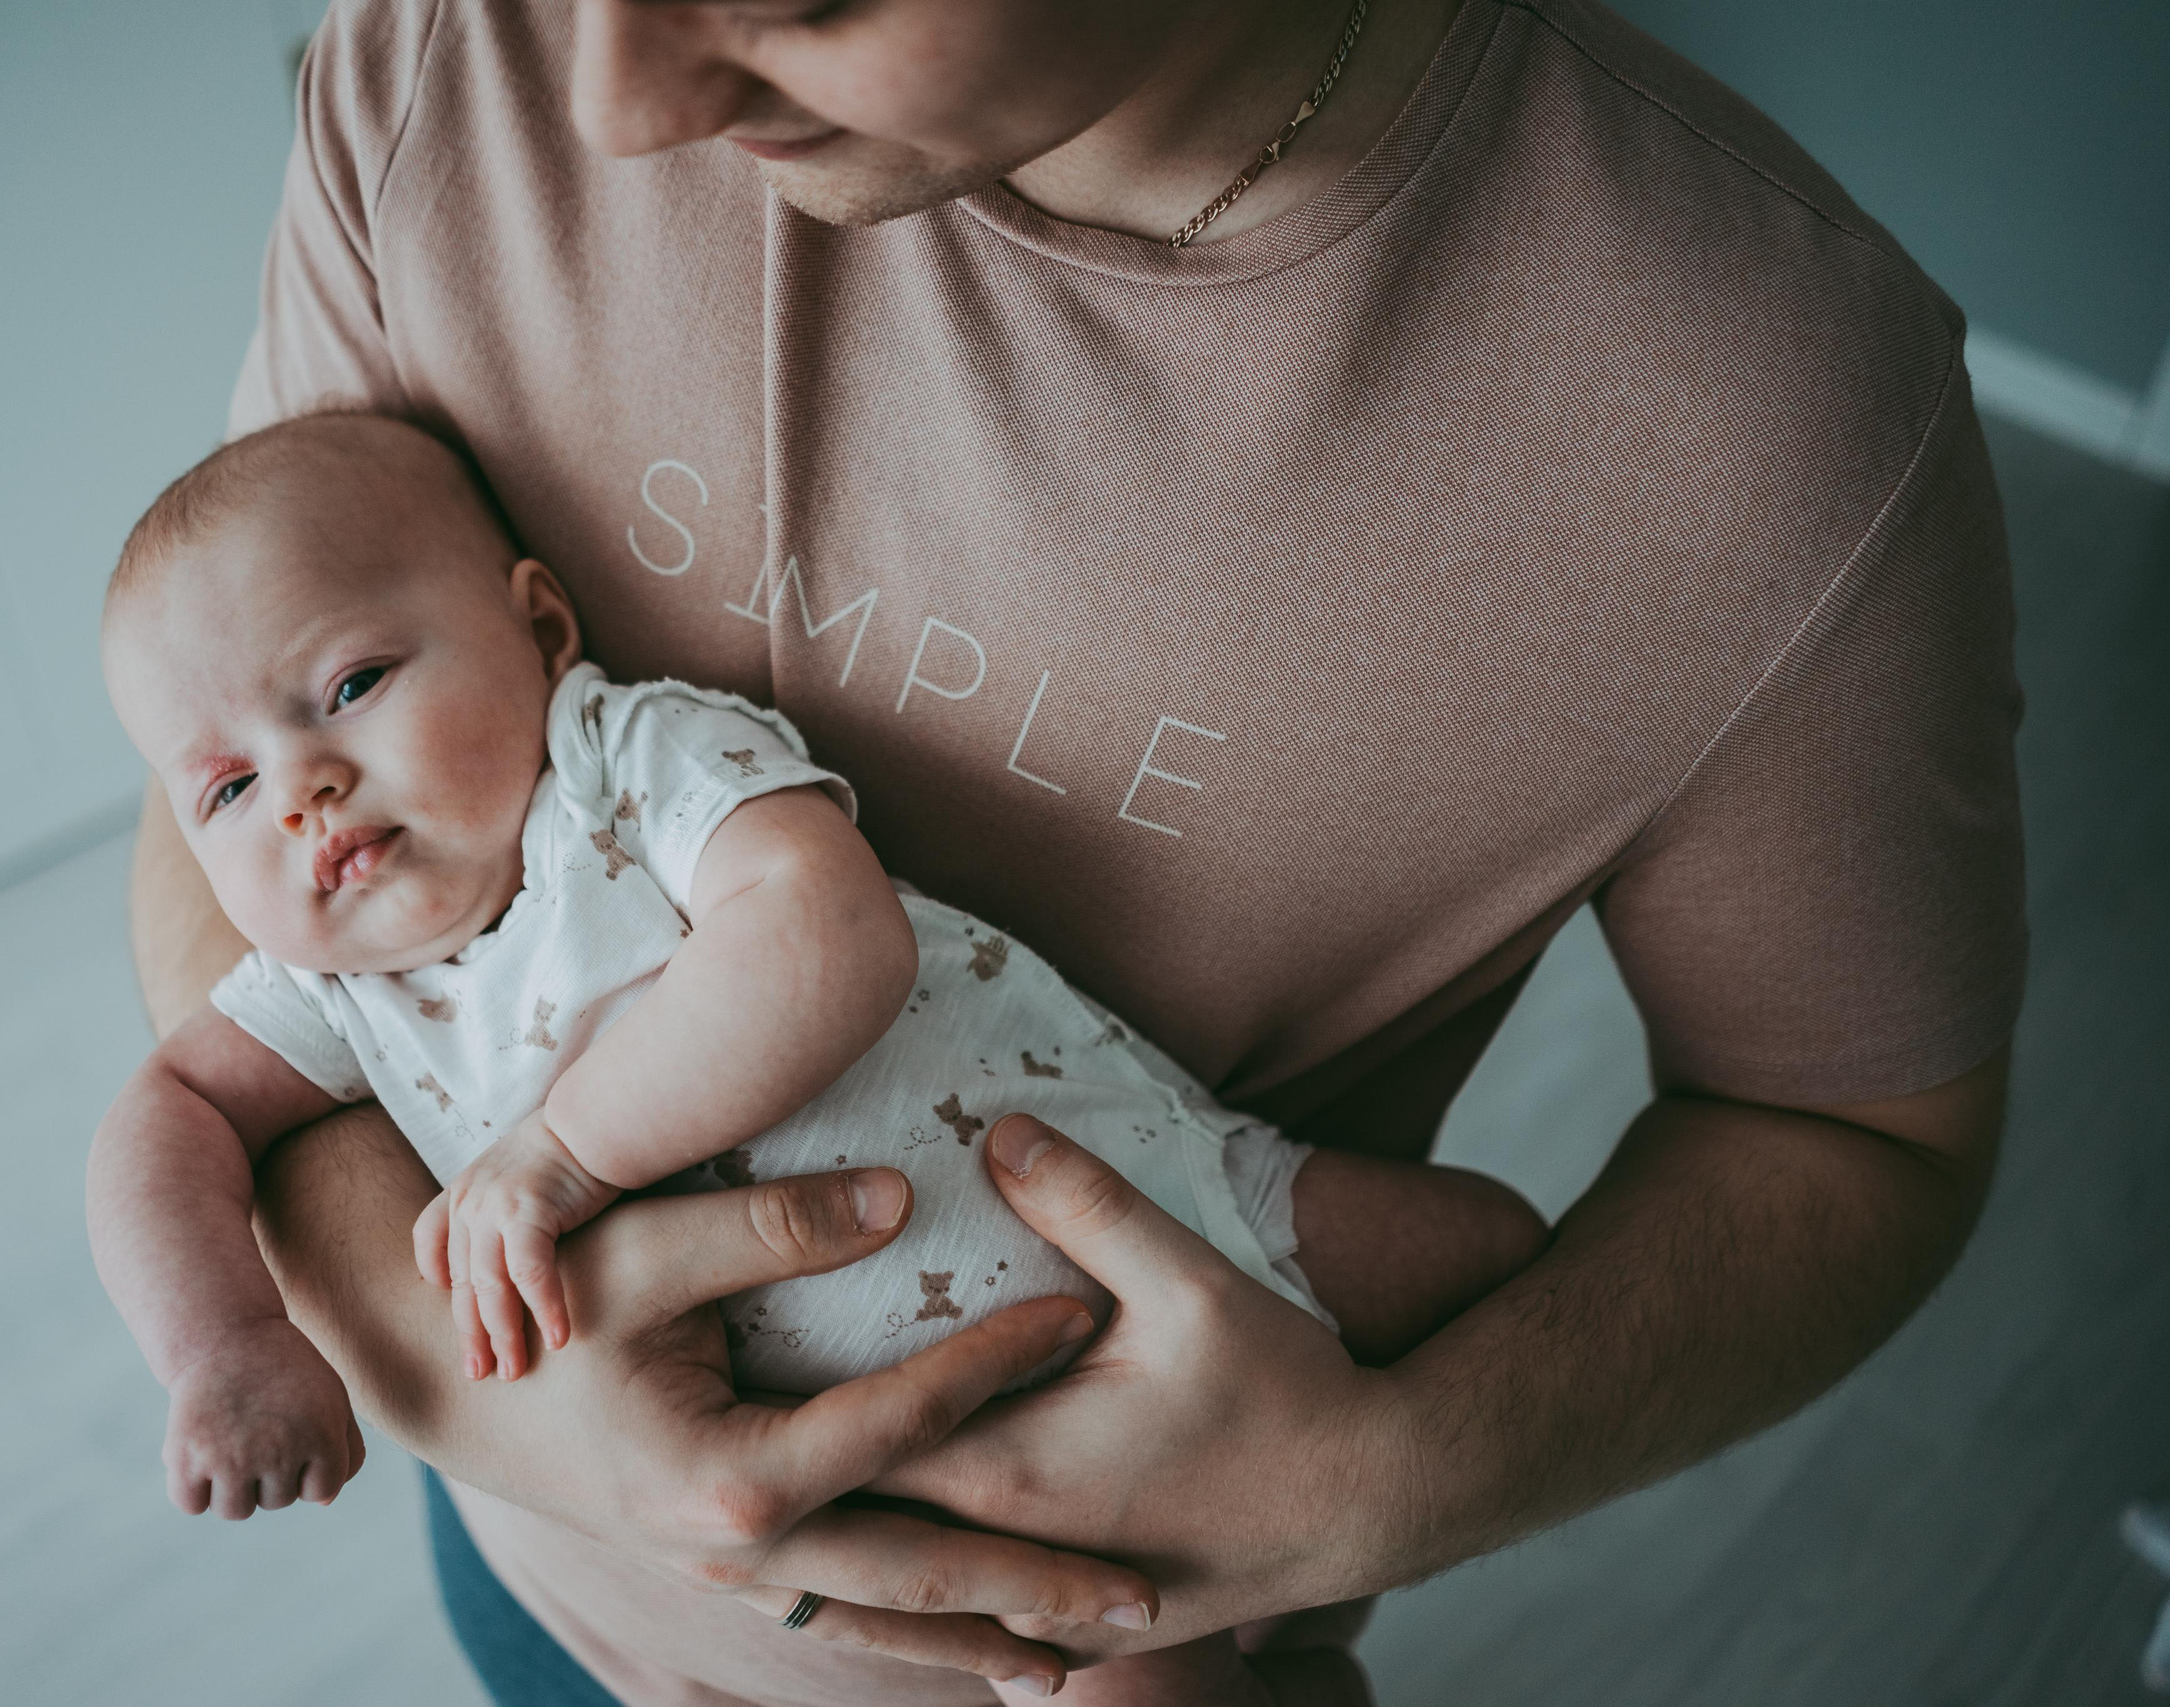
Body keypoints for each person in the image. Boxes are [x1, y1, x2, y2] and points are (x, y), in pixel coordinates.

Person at [126, 0, 2026, 1701]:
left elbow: (1855, 1134)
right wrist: (476, 1400)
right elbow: (227, 808)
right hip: (547, 1609)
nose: (612, 102)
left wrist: (1402, 1473)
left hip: (1107, 1609)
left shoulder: (1765, 419)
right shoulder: (448, 56)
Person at [91, 410, 1548, 1704]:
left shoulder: (618, 767)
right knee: (1141, 1668)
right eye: (226, 787)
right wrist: (222, 1342)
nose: (302, 788)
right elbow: (167, 1115)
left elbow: (828, 935)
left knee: (1499, 1267)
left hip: (1189, 1204)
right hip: (1015, 1464)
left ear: (537, 629)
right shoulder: (336, 993)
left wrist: (562, 1156)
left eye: (350, 685)